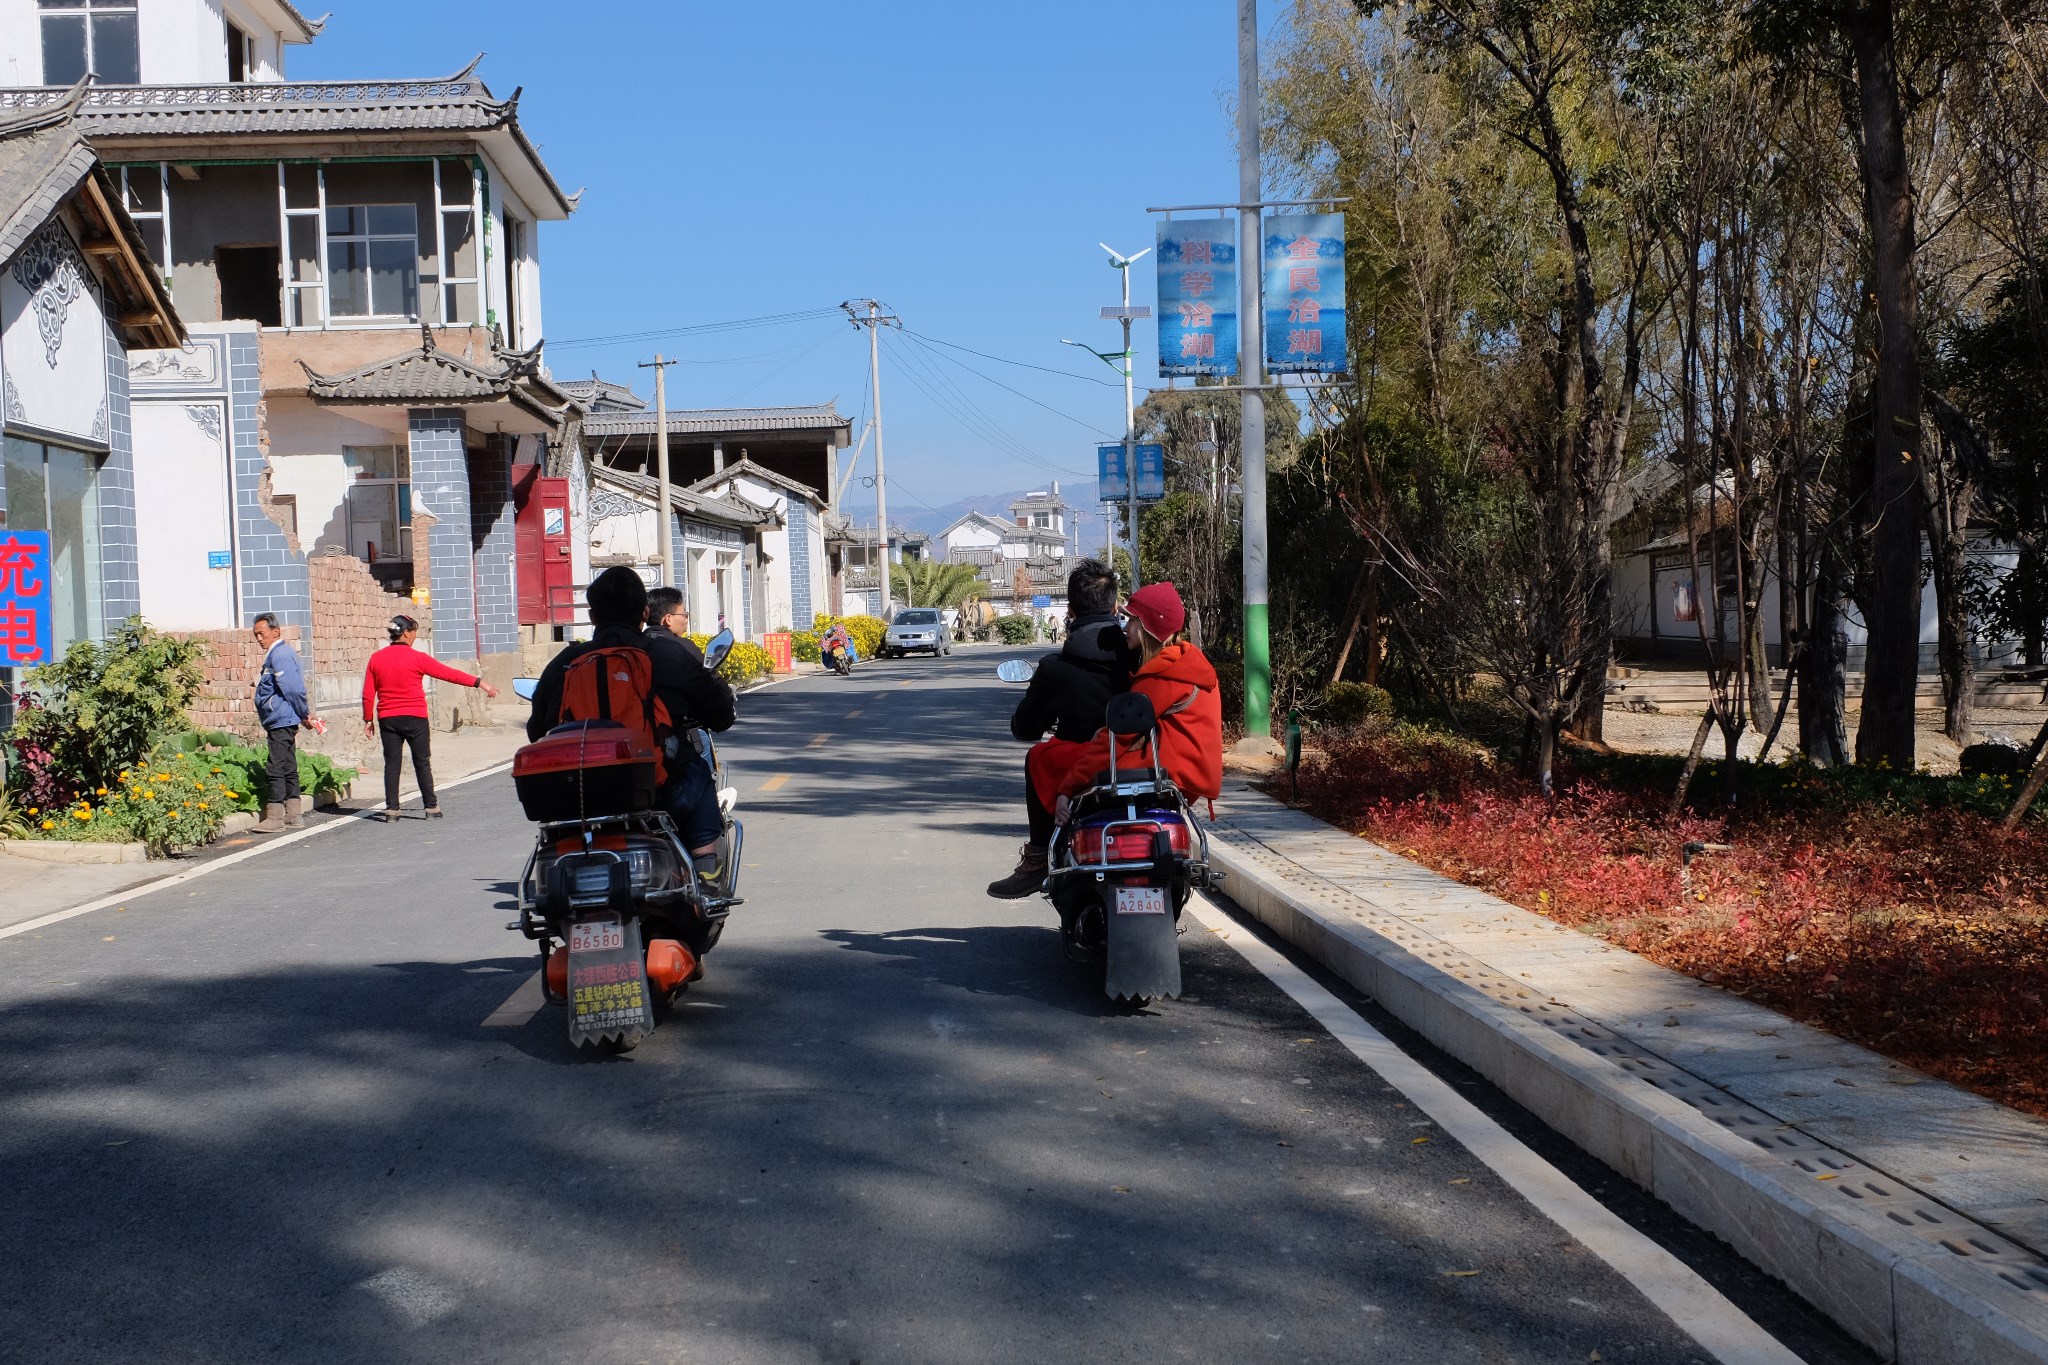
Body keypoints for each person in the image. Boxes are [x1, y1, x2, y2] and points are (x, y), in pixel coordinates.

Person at [526, 568, 727, 871]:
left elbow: (536, 731)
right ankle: (706, 867)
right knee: (696, 771)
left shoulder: (566, 663)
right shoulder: (668, 654)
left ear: (593, 616)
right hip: (656, 789)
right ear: (645, 613)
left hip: (580, 797)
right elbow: (721, 714)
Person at [986, 558, 1136, 899]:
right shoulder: (1144, 658)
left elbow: (1025, 729)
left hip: (1079, 763)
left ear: (1070, 610)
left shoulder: (1055, 668)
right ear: (1115, 607)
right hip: (1140, 759)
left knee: (1037, 756)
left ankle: (1038, 857)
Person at [1054, 580, 1223, 814]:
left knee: (1047, 758)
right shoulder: (1189, 661)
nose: (1125, 628)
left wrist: (1067, 788)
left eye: (1132, 621)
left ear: (1149, 627)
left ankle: (1042, 848)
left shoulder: (1163, 672)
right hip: (1193, 776)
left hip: (1165, 773)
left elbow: (1120, 736)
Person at [361, 615, 499, 822]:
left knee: (392, 763)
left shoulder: (376, 658)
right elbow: (448, 673)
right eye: (414, 631)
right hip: (415, 717)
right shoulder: (418, 658)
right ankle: (431, 808)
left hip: (388, 718)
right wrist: (480, 683)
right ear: (406, 633)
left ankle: (392, 811)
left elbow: (367, 693)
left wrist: (368, 719)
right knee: (422, 763)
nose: (415, 636)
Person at [643, 585, 737, 865]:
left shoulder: (577, 659)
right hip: (663, 754)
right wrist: (724, 712)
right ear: (666, 619)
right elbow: (712, 697)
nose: (686, 619)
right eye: (683, 614)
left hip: (600, 774)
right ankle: (707, 872)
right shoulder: (677, 649)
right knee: (699, 779)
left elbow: (540, 727)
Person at [249, 613, 322, 832]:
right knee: (289, 765)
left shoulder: (279, 655)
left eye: (262, 634)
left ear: (275, 632)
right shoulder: (279, 654)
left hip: (281, 719)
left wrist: (304, 713)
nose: (259, 639)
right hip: (282, 718)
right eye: (256, 635)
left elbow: (293, 689)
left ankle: (275, 818)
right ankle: (294, 815)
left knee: (276, 766)